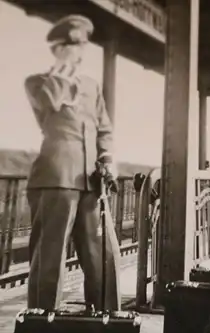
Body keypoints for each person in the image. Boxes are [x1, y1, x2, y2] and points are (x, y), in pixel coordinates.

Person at [24, 15, 121, 310]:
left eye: (81, 46)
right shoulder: (39, 83)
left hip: (92, 180)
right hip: (56, 177)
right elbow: (48, 104)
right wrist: (62, 72)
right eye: (72, 46)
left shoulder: (91, 86)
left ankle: (107, 316)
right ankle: (42, 318)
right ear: (57, 48)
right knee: (50, 256)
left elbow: (103, 127)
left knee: (101, 254)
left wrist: (107, 158)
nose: (79, 52)